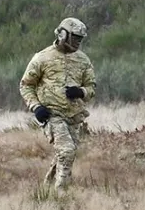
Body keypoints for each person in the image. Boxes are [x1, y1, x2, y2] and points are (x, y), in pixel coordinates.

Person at [19, 17, 95, 187]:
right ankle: (62, 192)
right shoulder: (42, 58)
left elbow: (91, 88)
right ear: (62, 34)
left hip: (74, 116)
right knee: (67, 151)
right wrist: (36, 107)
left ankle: (48, 188)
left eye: (80, 39)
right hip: (52, 115)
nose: (78, 42)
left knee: (66, 154)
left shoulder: (83, 60)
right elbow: (26, 85)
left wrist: (81, 91)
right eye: (75, 37)